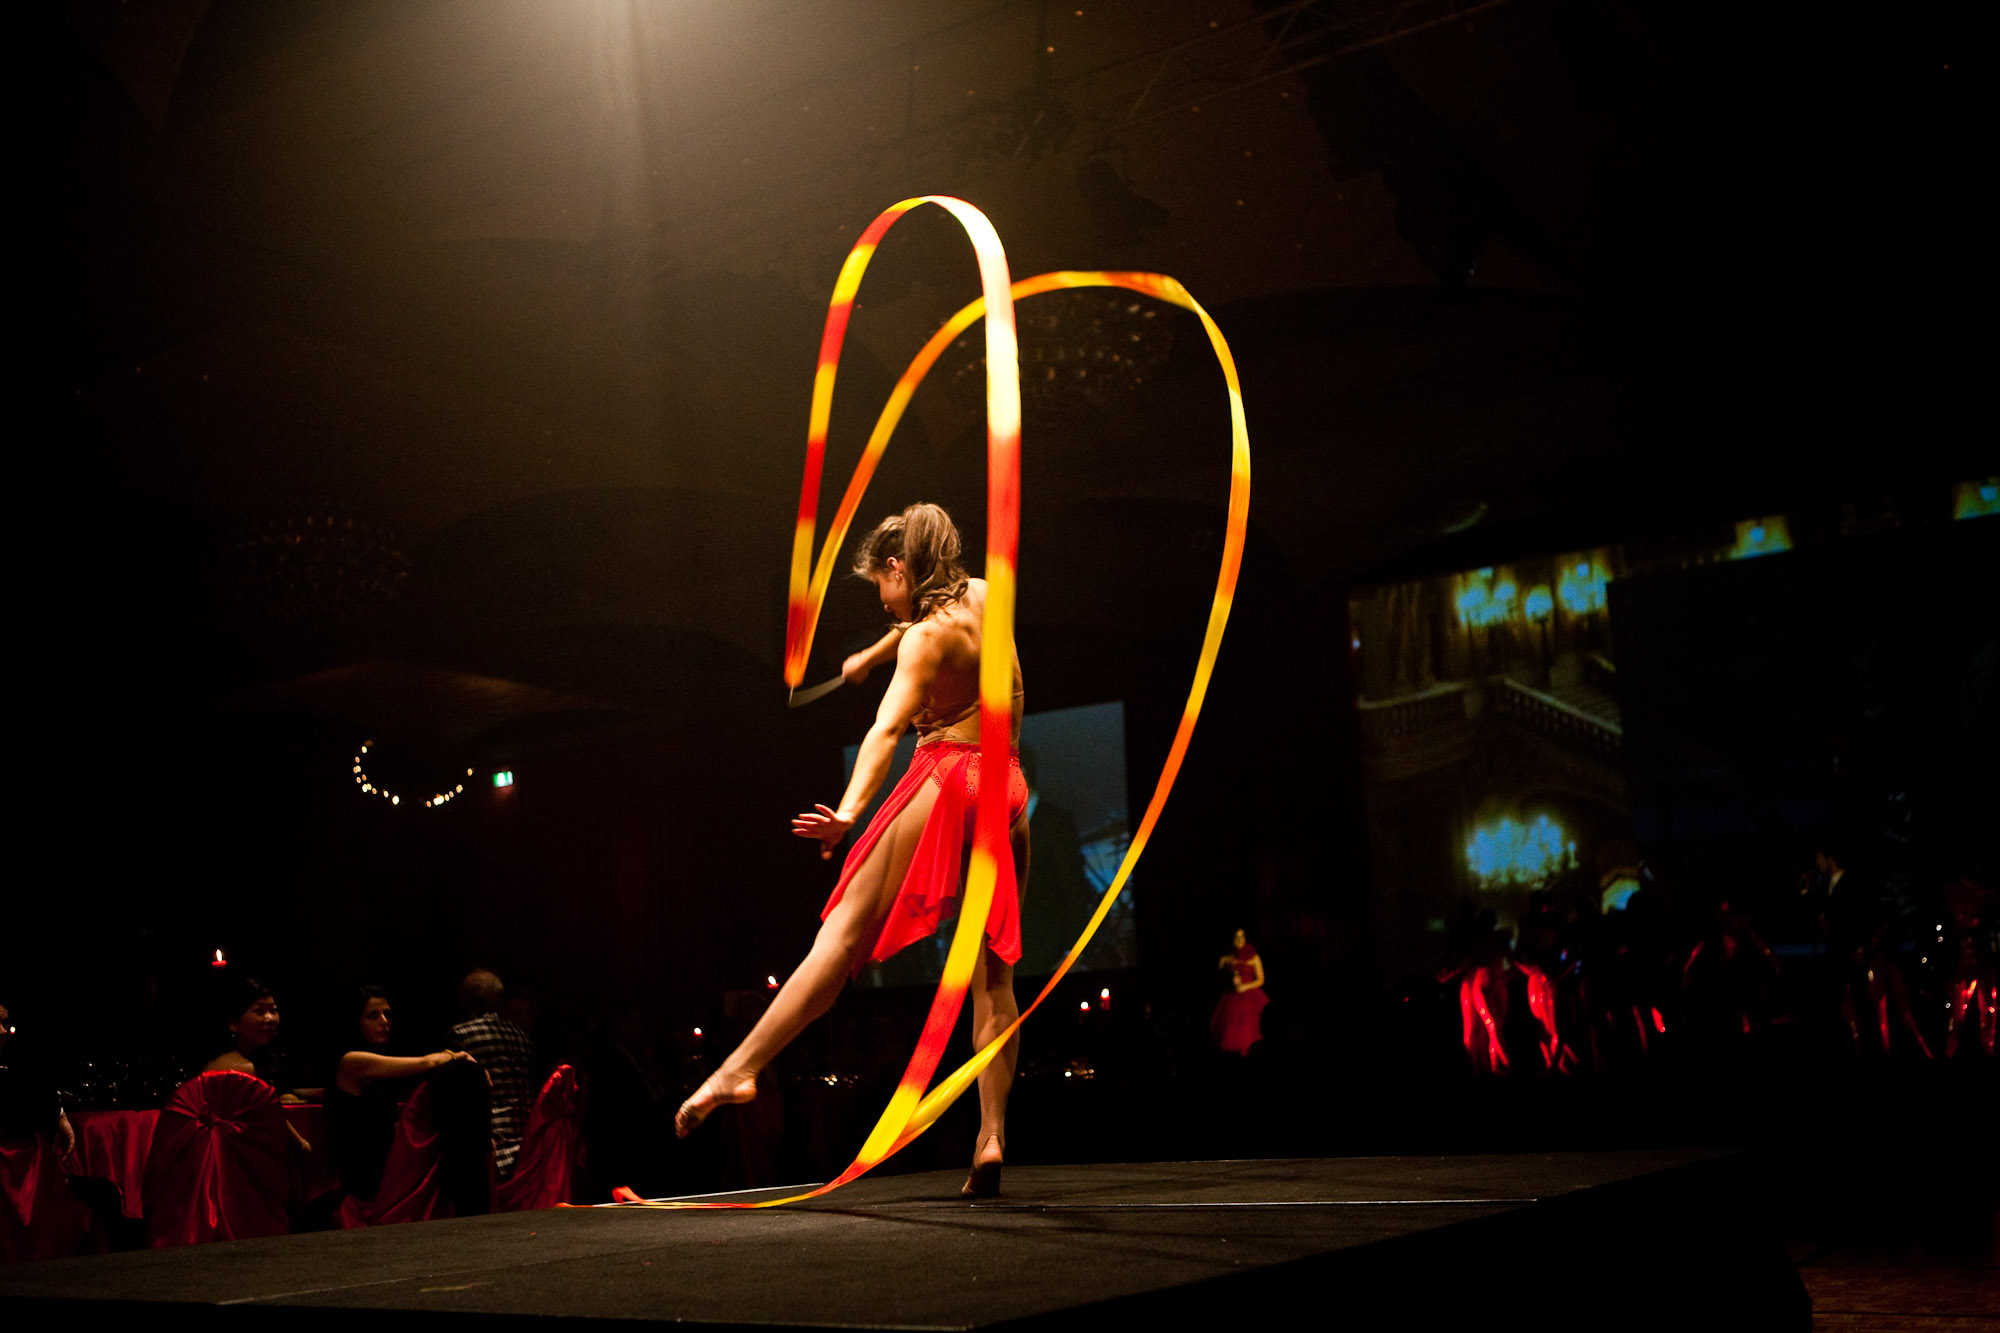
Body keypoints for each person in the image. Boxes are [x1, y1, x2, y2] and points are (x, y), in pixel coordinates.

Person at [675, 503, 1030, 1197]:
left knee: (839, 936)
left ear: (898, 568)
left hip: (949, 777)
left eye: (879, 582)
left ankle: (739, 1068)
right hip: (1008, 786)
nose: (881, 597)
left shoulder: (924, 641)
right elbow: (934, 624)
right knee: (994, 974)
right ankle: (991, 1134)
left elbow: (886, 730)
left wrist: (848, 812)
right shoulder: (988, 595)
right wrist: (875, 650)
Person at [331, 986, 482, 1207]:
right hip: (365, 1176)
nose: (384, 1021)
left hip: (386, 1166)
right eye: (373, 1016)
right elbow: (425, 1063)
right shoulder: (352, 1060)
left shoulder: (377, 1059)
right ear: (356, 1021)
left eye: (387, 1014)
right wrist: (455, 1055)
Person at [450, 969, 536, 1180]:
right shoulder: (520, 1035)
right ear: (498, 1000)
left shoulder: (460, 1035)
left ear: (463, 999)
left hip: (482, 1141)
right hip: (522, 1138)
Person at [1211, 929, 1268, 1056]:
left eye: (1242, 936)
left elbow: (1261, 979)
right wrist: (1230, 981)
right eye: (1236, 937)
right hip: (1231, 997)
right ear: (1231, 940)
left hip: (1251, 996)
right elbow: (1216, 981)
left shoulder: (1253, 956)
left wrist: (1245, 987)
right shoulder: (1225, 959)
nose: (1240, 940)